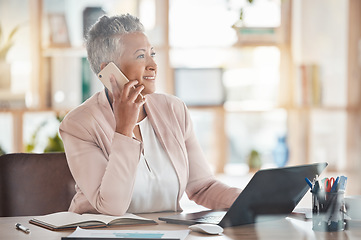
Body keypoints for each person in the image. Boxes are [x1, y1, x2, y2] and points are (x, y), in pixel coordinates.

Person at [59, 13, 241, 216]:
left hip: (168, 233)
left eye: (151, 54)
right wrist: (124, 129)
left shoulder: (174, 109)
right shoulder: (79, 124)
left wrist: (252, 198)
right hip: (101, 234)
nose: (153, 65)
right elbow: (111, 207)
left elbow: (203, 187)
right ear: (110, 72)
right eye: (140, 56)